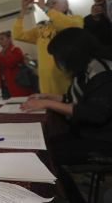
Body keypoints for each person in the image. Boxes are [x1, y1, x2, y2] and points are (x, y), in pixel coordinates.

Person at [21, 28, 112, 203]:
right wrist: (47, 97)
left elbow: (95, 113)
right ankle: (69, 193)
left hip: (104, 140)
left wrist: (47, 104)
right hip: (88, 133)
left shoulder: (102, 71)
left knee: (47, 156)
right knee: (43, 148)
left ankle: (70, 197)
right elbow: (74, 98)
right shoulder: (86, 68)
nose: (58, 62)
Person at [12, 0, 83, 95]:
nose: (50, 6)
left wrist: (44, 7)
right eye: (48, 4)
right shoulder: (42, 27)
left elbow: (67, 26)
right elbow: (18, 35)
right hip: (45, 83)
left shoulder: (76, 19)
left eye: (54, 3)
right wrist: (23, 9)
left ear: (66, 5)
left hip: (66, 82)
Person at [0, 31, 34, 99]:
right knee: (7, 106)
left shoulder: (16, 50)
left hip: (16, 85)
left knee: (19, 105)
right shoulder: (1, 54)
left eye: (2, 39)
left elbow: (10, 63)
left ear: (9, 39)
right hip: (3, 86)